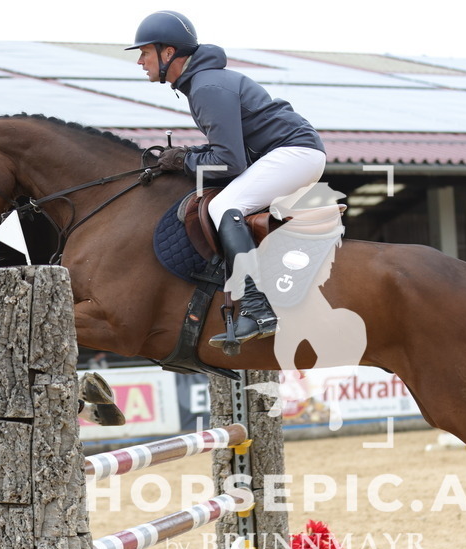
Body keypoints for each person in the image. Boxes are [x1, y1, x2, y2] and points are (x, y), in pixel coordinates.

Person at [126, 10, 328, 349]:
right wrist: (186, 158)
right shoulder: (202, 84)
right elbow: (232, 152)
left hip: (294, 153)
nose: (140, 61)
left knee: (224, 205)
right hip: (288, 153)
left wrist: (185, 159)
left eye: (145, 52)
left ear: (168, 53)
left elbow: (230, 163)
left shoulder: (206, 87)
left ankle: (257, 307)